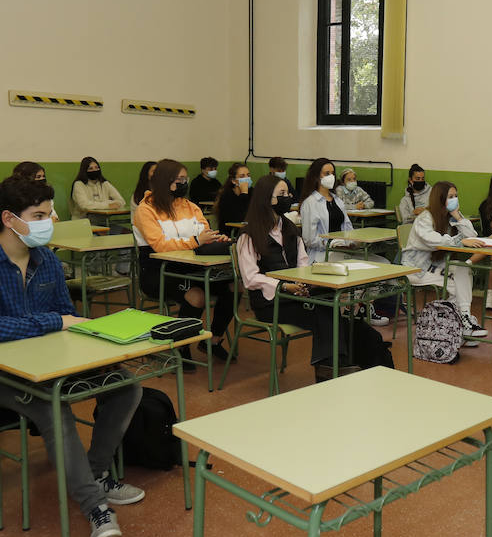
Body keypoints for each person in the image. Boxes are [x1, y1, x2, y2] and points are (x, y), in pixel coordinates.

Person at [0, 176, 143, 537]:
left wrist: (95, 352)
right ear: (9, 218)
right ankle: (95, 506)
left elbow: (67, 315)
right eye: (39, 215)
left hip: (51, 363)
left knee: (126, 385)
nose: (48, 222)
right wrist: (54, 323)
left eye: (48, 213)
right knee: (52, 407)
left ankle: (94, 473)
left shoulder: (48, 261)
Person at [236, 174, 358, 379]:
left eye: (288, 193)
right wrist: (283, 286)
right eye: (281, 194)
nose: (287, 197)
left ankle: (331, 366)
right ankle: (329, 367)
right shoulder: (249, 235)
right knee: (324, 313)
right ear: (266, 199)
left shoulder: (290, 229)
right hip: (270, 303)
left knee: (330, 303)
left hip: (296, 294)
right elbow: (250, 278)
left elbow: (303, 263)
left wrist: (304, 283)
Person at [132, 159, 235, 358]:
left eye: (185, 179)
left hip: (191, 268)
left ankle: (213, 340)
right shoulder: (146, 209)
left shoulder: (190, 207)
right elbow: (160, 245)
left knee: (234, 286)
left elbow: (204, 232)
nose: (184, 184)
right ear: (163, 181)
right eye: (179, 180)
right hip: (158, 271)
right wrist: (196, 240)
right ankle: (181, 347)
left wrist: (214, 238)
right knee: (196, 296)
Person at [299, 158, 392, 326]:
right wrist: (332, 243)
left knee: (383, 263)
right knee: (354, 271)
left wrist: (352, 241)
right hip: (322, 256)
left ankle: (361, 307)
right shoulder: (310, 203)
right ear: (316, 177)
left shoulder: (337, 200)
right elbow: (309, 239)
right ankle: (354, 308)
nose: (331, 177)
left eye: (332, 173)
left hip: (344, 251)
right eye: (326, 173)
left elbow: (347, 228)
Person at [402, 181, 492, 343]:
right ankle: (460, 323)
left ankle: (460, 321)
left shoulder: (450, 217)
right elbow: (435, 241)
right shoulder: (425, 218)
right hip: (417, 269)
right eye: (450, 197)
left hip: (436, 266)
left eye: (456, 196)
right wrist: (461, 242)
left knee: (463, 269)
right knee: (457, 286)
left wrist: (458, 217)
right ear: (440, 198)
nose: (455, 200)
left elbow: (471, 234)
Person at [214, 162, 253, 235]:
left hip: (248, 232)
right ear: (234, 181)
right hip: (229, 234)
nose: (246, 179)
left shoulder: (252, 192)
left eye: (248, 175)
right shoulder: (226, 195)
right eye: (242, 176)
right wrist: (244, 194)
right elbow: (239, 218)